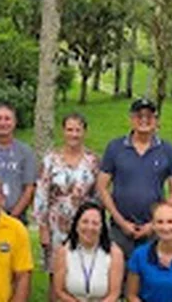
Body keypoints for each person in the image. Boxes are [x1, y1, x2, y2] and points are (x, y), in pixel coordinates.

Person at [97, 98, 172, 259]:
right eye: (139, 116)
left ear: (156, 120)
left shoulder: (167, 150)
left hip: (154, 229)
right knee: (117, 276)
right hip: (119, 228)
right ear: (131, 119)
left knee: (150, 277)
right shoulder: (115, 147)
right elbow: (102, 187)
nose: (144, 120)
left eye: (149, 116)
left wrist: (155, 223)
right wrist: (121, 221)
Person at [34, 112, 100, 300]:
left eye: (78, 130)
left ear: (84, 132)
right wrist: (43, 227)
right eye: (70, 129)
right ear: (63, 131)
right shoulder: (50, 159)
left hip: (84, 227)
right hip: (56, 226)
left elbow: (97, 195)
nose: (74, 134)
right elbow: (41, 194)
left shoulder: (92, 161)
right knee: (57, 275)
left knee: (80, 273)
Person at [51, 202, 124, 302]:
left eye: (95, 223)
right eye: (85, 222)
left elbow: (114, 294)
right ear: (76, 226)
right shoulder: (63, 251)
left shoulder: (115, 253)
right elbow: (59, 290)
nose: (90, 227)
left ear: (102, 228)